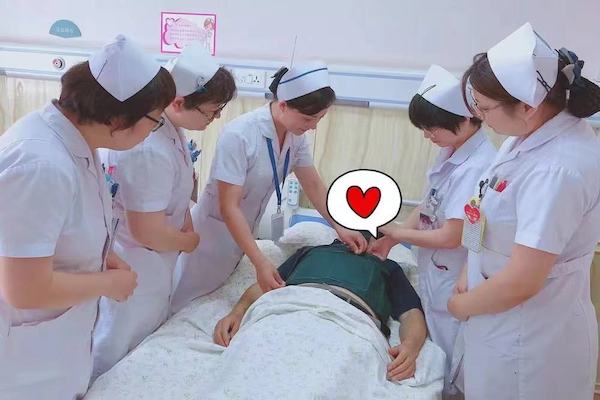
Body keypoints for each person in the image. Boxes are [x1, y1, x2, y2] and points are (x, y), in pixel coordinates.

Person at [0, 35, 175, 399]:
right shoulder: (41, 164)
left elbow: (64, 230)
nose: (154, 130)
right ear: (118, 118)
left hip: (56, 350)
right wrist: (108, 284)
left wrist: (104, 258)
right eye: (155, 120)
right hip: (23, 368)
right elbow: (24, 289)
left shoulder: (75, 142)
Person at [447, 22, 600, 399]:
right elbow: (484, 205)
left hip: (531, 336)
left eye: (484, 107)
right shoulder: (523, 137)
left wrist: (460, 306)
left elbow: (522, 281)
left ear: (528, 105)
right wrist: (470, 266)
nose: (479, 116)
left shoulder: (557, 169)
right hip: (497, 314)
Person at [171, 61, 367, 313]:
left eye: (320, 118)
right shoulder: (239, 135)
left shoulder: (296, 137)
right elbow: (229, 207)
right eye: (309, 118)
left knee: (211, 300)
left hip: (241, 238)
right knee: (181, 302)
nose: (313, 126)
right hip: (211, 238)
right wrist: (260, 262)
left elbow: (314, 185)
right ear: (283, 105)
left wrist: (340, 226)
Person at [91, 44, 236, 379]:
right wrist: (189, 241)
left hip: (153, 265)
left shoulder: (170, 130)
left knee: (136, 350)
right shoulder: (148, 149)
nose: (215, 118)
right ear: (179, 102)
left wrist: (186, 225)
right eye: (211, 112)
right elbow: (146, 231)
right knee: (112, 350)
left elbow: (176, 194)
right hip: (136, 261)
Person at [369, 64, 496, 397]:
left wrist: (397, 233)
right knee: (433, 349)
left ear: (466, 119)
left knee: (451, 355)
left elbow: (452, 236)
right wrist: (389, 240)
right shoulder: (451, 151)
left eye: (432, 127)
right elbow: (428, 204)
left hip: (455, 272)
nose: (427, 135)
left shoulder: (477, 166)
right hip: (435, 269)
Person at [214, 234, 426, 382]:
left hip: (350, 322)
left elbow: (410, 313)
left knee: (332, 376)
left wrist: (410, 346)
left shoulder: (387, 266)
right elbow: (268, 283)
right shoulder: (310, 251)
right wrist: (237, 313)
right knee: (250, 361)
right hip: (288, 306)